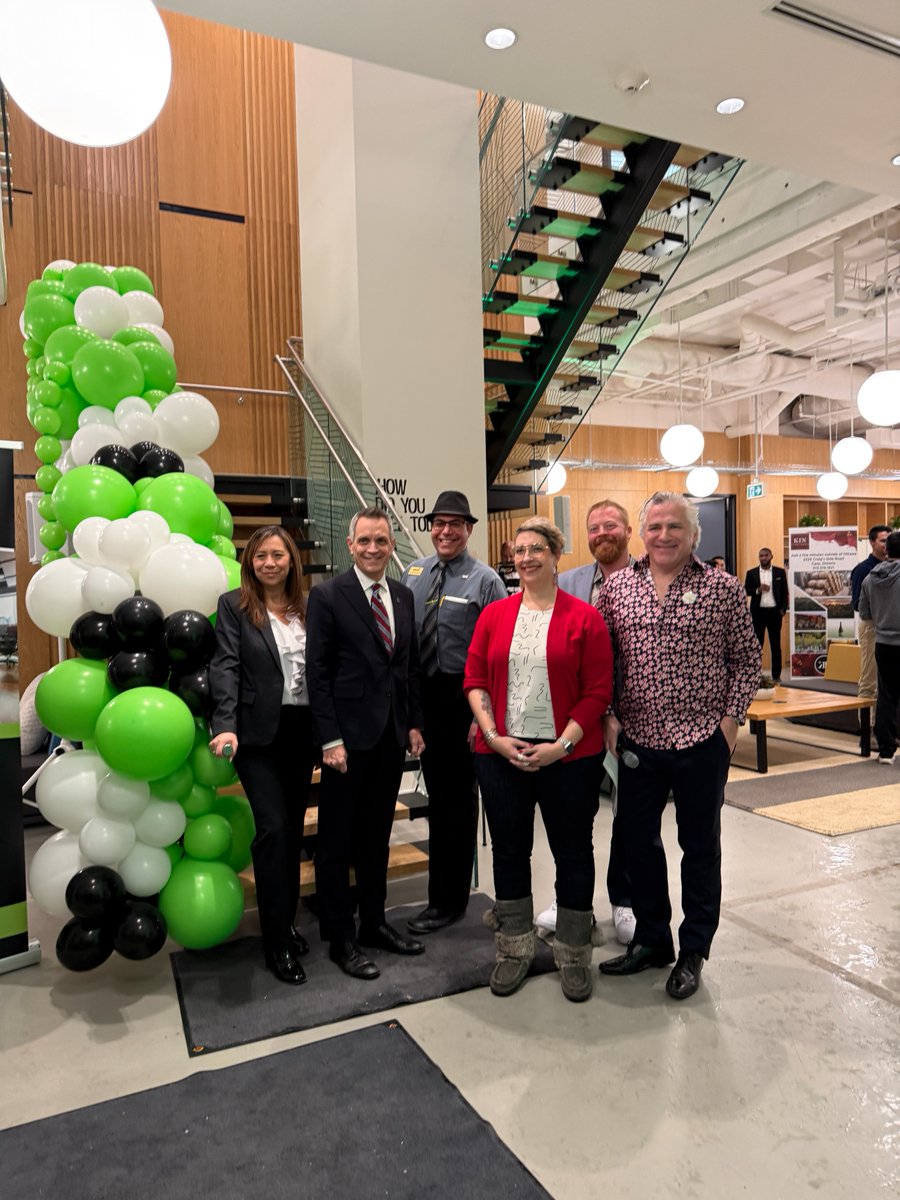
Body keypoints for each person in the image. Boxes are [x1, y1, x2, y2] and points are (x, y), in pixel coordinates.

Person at [598, 492, 760, 1001]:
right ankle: (652, 938)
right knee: (635, 842)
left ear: (694, 534)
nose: (664, 536)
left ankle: (694, 948)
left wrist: (730, 723)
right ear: (640, 534)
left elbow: (747, 660)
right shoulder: (616, 589)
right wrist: (606, 713)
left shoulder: (722, 589)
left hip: (701, 740)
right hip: (638, 742)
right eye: (655, 527)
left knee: (700, 845)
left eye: (674, 527)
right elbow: (601, 660)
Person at [465, 516, 613, 1002]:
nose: (525, 558)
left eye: (536, 549)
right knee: (508, 851)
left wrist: (560, 747)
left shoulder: (584, 618)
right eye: (519, 550)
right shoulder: (495, 615)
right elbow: (475, 680)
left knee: (572, 852)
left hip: (568, 757)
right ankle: (514, 948)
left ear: (555, 556)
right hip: (502, 753)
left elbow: (597, 693)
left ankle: (572, 952)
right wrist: (494, 736)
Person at [305, 506, 426, 980]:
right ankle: (341, 937)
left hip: (390, 736)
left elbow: (408, 665)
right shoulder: (328, 596)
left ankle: (374, 923)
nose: (373, 549)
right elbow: (317, 672)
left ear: (391, 545)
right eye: (365, 541)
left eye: (381, 541)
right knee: (336, 843)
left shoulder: (402, 595)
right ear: (349, 545)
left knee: (377, 838)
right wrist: (329, 737)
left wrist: (414, 722)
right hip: (346, 743)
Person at [208, 525, 314, 986]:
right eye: (260, 556)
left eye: (278, 555)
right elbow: (225, 665)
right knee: (272, 831)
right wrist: (225, 724)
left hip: (301, 733)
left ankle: (286, 922)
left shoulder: (308, 608)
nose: (269, 563)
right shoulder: (233, 606)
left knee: (290, 834)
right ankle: (275, 942)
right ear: (250, 561)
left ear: (292, 560)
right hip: (255, 737)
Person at [400, 490, 507, 934]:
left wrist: (481, 719)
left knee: (464, 807)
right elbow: (406, 649)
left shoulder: (485, 581)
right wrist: (413, 717)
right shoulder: (413, 573)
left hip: (467, 704)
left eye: (455, 524)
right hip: (426, 701)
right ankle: (440, 897)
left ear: (469, 529)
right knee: (441, 803)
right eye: (438, 523)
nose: (446, 531)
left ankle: (451, 902)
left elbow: (499, 657)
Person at [547, 498, 637, 947]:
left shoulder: (648, 577)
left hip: (633, 715)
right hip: (578, 716)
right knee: (572, 815)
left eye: (610, 526)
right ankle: (567, 899)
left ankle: (624, 898)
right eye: (594, 527)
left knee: (629, 814)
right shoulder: (568, 582)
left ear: (628, 531)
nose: (602, 533)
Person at [858, 531, 900, 764]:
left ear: (887, 550)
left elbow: (865, 614)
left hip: (883, 642)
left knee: (885, 694)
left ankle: (885, 750)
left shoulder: (869, 578)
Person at [852, 525, 891, 702]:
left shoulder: (893, 568)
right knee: (869, 678)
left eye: (889, 541)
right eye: (883, 540)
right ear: (872, 542)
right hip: (871, 626)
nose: (886, 545)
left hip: (891, 628)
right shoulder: (862, 570)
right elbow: (857, 605)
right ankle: (867, 725)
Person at [744, 547, 789, 683]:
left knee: (775, 645)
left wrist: (782, 610)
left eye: (766, 555)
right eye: (761, 556)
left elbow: (785, 592)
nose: (763, 558)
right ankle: (756, 676)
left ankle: (776, 675)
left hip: (775, 613)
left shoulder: (779, 572)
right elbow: (746, 590)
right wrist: (758, 589)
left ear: (771, 556)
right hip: (758, 613)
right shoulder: (751, 573)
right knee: (757, 646)